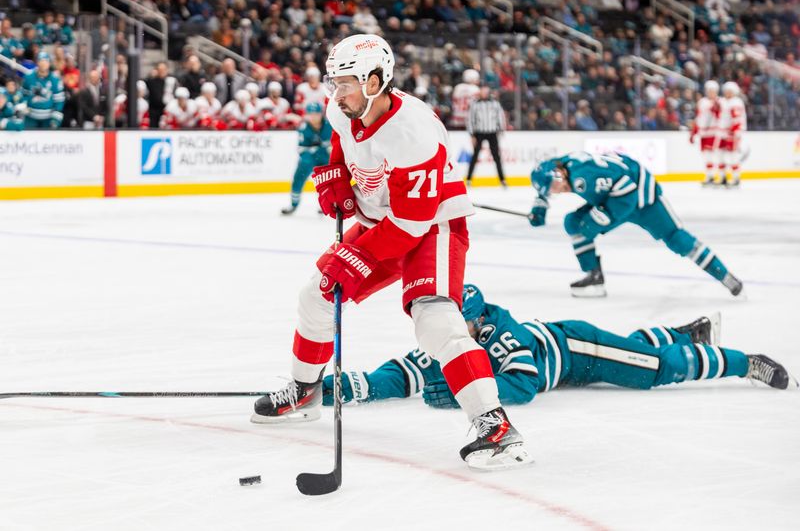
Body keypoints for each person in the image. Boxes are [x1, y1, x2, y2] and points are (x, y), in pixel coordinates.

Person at [251, 34, 532, 471]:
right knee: (317, 295)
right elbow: (342, 142)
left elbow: (413, 223)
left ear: (375, 81)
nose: (335, 92)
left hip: (433, 223)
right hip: (385, 218)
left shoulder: (412, 131)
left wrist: (359, 257)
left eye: (345, 82)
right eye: (334, 81)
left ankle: (495, 427)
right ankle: (306, 391)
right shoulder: (343, 106)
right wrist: (337, 178)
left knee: (435, 319)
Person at [320, 284, 793, 407]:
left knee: (653, 369)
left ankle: (741, 362)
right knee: (636, 347)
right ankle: (687, 332)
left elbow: (522, 385)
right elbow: (404, 373)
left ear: (477, 319)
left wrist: (468, 392)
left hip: (577, 354)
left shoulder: (506, 338)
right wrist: (349, 385)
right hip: (567, 354)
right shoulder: (446, 338)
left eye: (455, 319)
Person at [528, 151, 744, 297]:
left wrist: (598, 219)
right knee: (574, 223)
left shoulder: (582, 179)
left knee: (676, 238)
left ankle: (723, 274)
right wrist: (540, 206)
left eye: (554, 188)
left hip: (642, 199)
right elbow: (548, 182)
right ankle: (594, 276)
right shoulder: (562, 165)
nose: (556, 191)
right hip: (615, 195)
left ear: (559, 174)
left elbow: (627, 192)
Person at [281, 102, 332, 215]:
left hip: (325, 158)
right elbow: (301, 149)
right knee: (298, 179)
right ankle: (293, 205)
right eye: (311, 114)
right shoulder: (303, 128)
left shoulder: (330, 125)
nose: (314, 117)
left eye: (316, 114)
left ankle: (326, 204)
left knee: (327, 183)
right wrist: (317, 149)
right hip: (308, 159)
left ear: (321, 114)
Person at [465, 85, 506, 187]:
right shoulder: (475, 104)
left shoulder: (495, 103)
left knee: (496, 156)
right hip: (479, 133)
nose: (483, 93)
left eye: (485, 91)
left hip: (492, 133)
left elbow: (500, 117)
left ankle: (502, 180)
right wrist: (472, 134)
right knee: (475, 156)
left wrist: (500, 130)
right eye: (482, 91)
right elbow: (470, 119)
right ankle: (469, 179)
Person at [21, 51, 64, 128]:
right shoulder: (29, 77)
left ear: (49, 63)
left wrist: (56, 118)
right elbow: (24, 94)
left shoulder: (55, 79)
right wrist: (24, 105)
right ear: (37, 62)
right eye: (41, 61)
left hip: (48, 118)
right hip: (31, 117)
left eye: (45, 61)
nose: (43, 64)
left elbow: (59, 100)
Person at [690, 80, 721, 186]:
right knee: (707, 156)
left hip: (714, 132)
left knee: (715, 155)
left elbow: (722, 118)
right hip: (704, 133)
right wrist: (693, 132)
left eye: (713, 91)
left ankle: (719, 176)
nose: (711, 93)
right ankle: (709, 176)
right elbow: (698, 117)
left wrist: (716, 109)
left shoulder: (719, 102)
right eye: (709, 91)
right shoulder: (702, 102)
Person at [715, 81, 747, 188]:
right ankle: (723, 177)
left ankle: (736, 178)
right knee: (720, 155)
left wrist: (734, 131)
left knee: (733, 156)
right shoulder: (723, 101)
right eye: (726, 91)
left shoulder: (736, 102)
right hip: (722, 132)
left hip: (733, 133)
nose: (727, 93)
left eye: (730, 91)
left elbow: (737, 119)